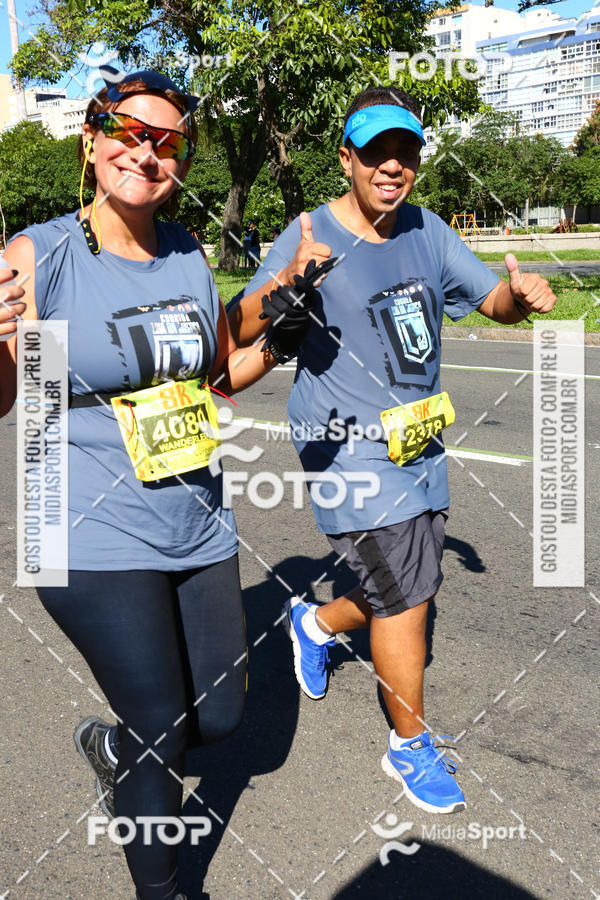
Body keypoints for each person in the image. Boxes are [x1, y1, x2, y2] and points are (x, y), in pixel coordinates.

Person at [0, 68, 315, 899]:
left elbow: (211, 375)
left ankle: (110, 752)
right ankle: (165, 889)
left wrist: (278, 340)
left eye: (166, 141)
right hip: (85, 528)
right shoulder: (43, 255)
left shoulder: (184, 254)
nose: (144, 150)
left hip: (198, 522)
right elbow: (8, 399)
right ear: (91, 139)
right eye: (127, 131)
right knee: (163, 728)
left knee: (221, 720)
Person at [229, 86, 557, 814]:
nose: (391, 166)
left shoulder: (427, 230)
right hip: (345, 451)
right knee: (408, 596)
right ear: (346, 159)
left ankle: (310, 622)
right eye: (375, 152)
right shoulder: (309, 232)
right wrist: (285, 287)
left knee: (401, 583)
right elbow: (243, 332)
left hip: (419, 446)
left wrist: (519, 296)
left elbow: (487, 302)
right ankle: (408, 745)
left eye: (404, 153)